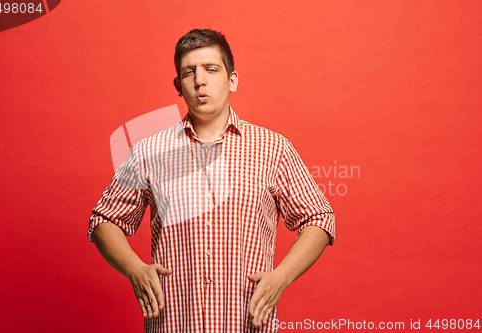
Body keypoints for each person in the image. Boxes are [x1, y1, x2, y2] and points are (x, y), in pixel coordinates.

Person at [88, 28, 335, 333]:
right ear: (179, 86)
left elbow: (319, 218)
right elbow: (104, 220)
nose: (199, 80)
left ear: (232, 80)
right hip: (173, 323)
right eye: (189, 72)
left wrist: (282, 276)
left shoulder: (273, 149)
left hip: (246, 324)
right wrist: (134, 269)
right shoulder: (148, 151)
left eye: (211, 69)